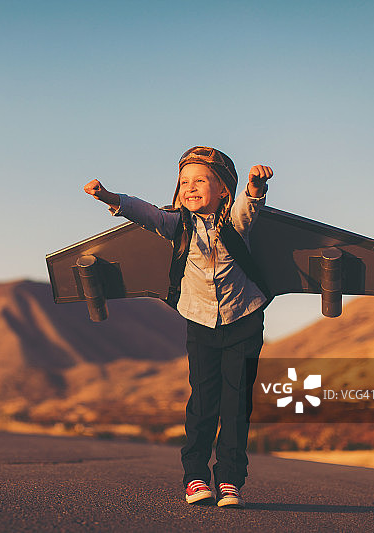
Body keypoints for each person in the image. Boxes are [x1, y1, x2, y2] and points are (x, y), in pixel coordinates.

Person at [83, 146, 273, 508]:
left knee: (236, 404)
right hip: (200, 320)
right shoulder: (177, 224)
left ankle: (230, 480)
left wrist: (255, 188)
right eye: (184, 181)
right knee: (203, 401)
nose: (190, 187)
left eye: (200, 180)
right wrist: (108, 197)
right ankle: (196, 477)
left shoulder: (234, 219)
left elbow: (250, 209)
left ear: (223, 191)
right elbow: (145, 213)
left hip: (244, 319)